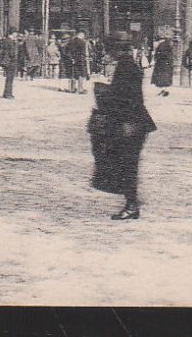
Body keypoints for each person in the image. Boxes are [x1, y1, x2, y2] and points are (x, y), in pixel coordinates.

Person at [88, 41, 156, 220]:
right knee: (127, 164)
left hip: (130, 124)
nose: (108, 54)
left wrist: (104, 92)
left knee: (127, 165)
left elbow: (126, 97)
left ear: (117, 50)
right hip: (133, 122)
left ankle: (132, 204)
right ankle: (131, 201)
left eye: (109, 50)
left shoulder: (126, 68)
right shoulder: (128, 65)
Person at [0, 28, 23, 99]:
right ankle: (8, 94)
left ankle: (6, 93)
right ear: (13, 33)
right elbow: (12, 53)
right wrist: (15, 58)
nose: (16, 34)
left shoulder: (6, 40)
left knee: (8, 78)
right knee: (10, 78)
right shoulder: (10, 41)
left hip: (6, 61)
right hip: (10, 61)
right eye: (15, 33)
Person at [63, 30, 90, 94]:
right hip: (80, 60)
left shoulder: (70, 41)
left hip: (72, 60)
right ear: (81, 35)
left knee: (73, 74)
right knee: (81, 74)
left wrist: (71, 58)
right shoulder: (83, 42)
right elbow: (84, 53)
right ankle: (80, 89)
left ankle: (72, 89)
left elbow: (66, 51)